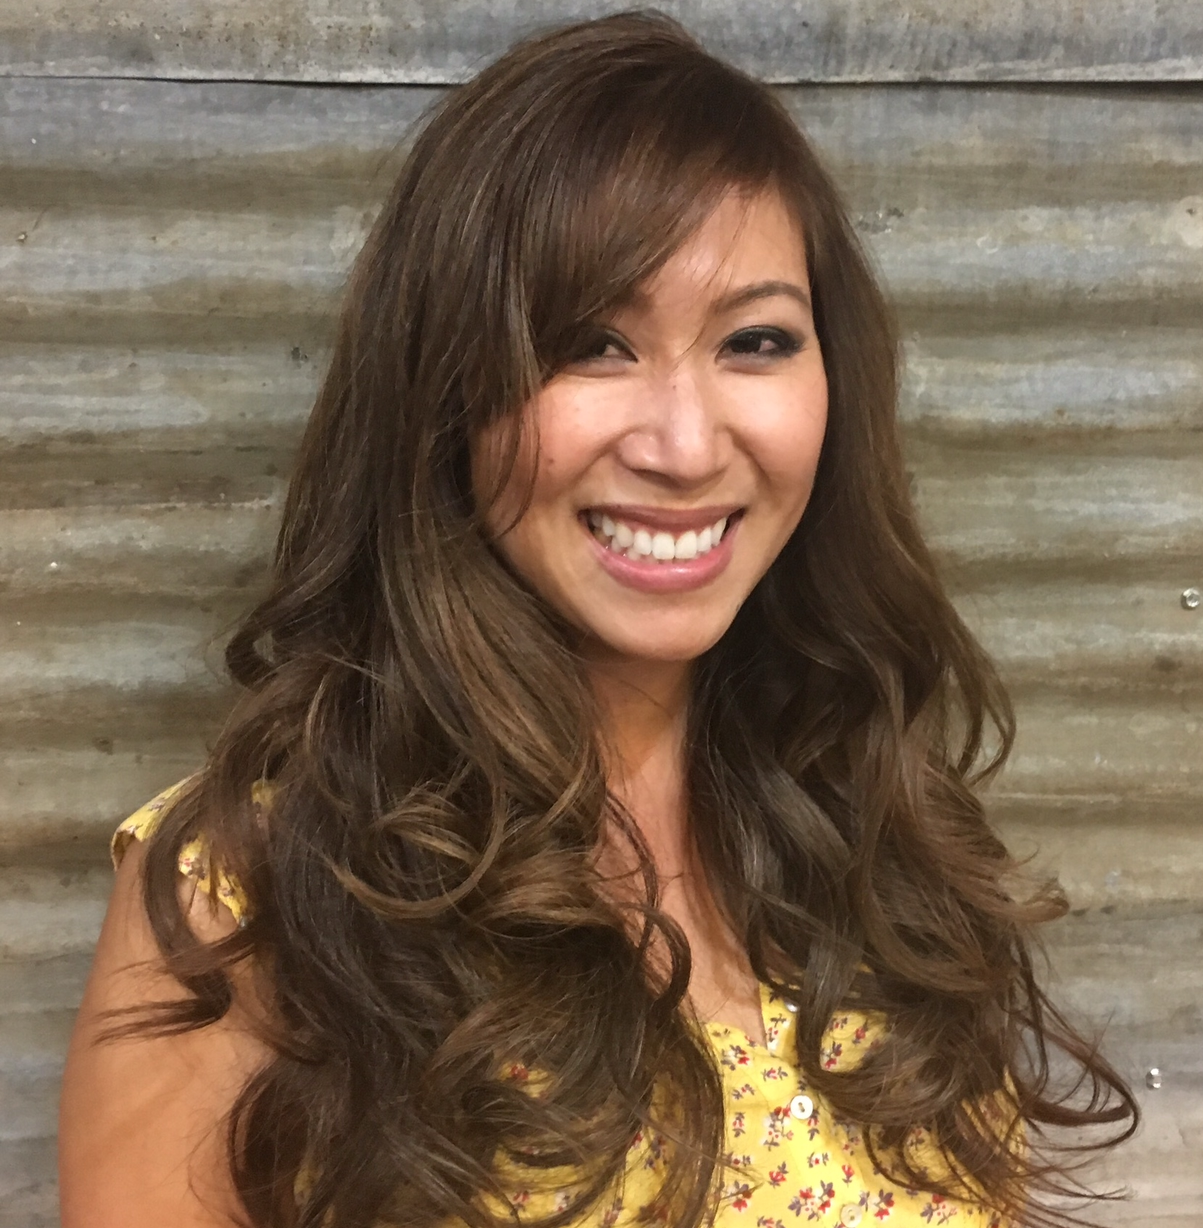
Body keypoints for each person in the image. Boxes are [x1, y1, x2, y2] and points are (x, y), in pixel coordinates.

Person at [58, 13, 1136, 1228]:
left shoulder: (875, 829)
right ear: (444, 387)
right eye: (591, 344)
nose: (685, 445)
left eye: (755, 341)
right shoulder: (246, 899)